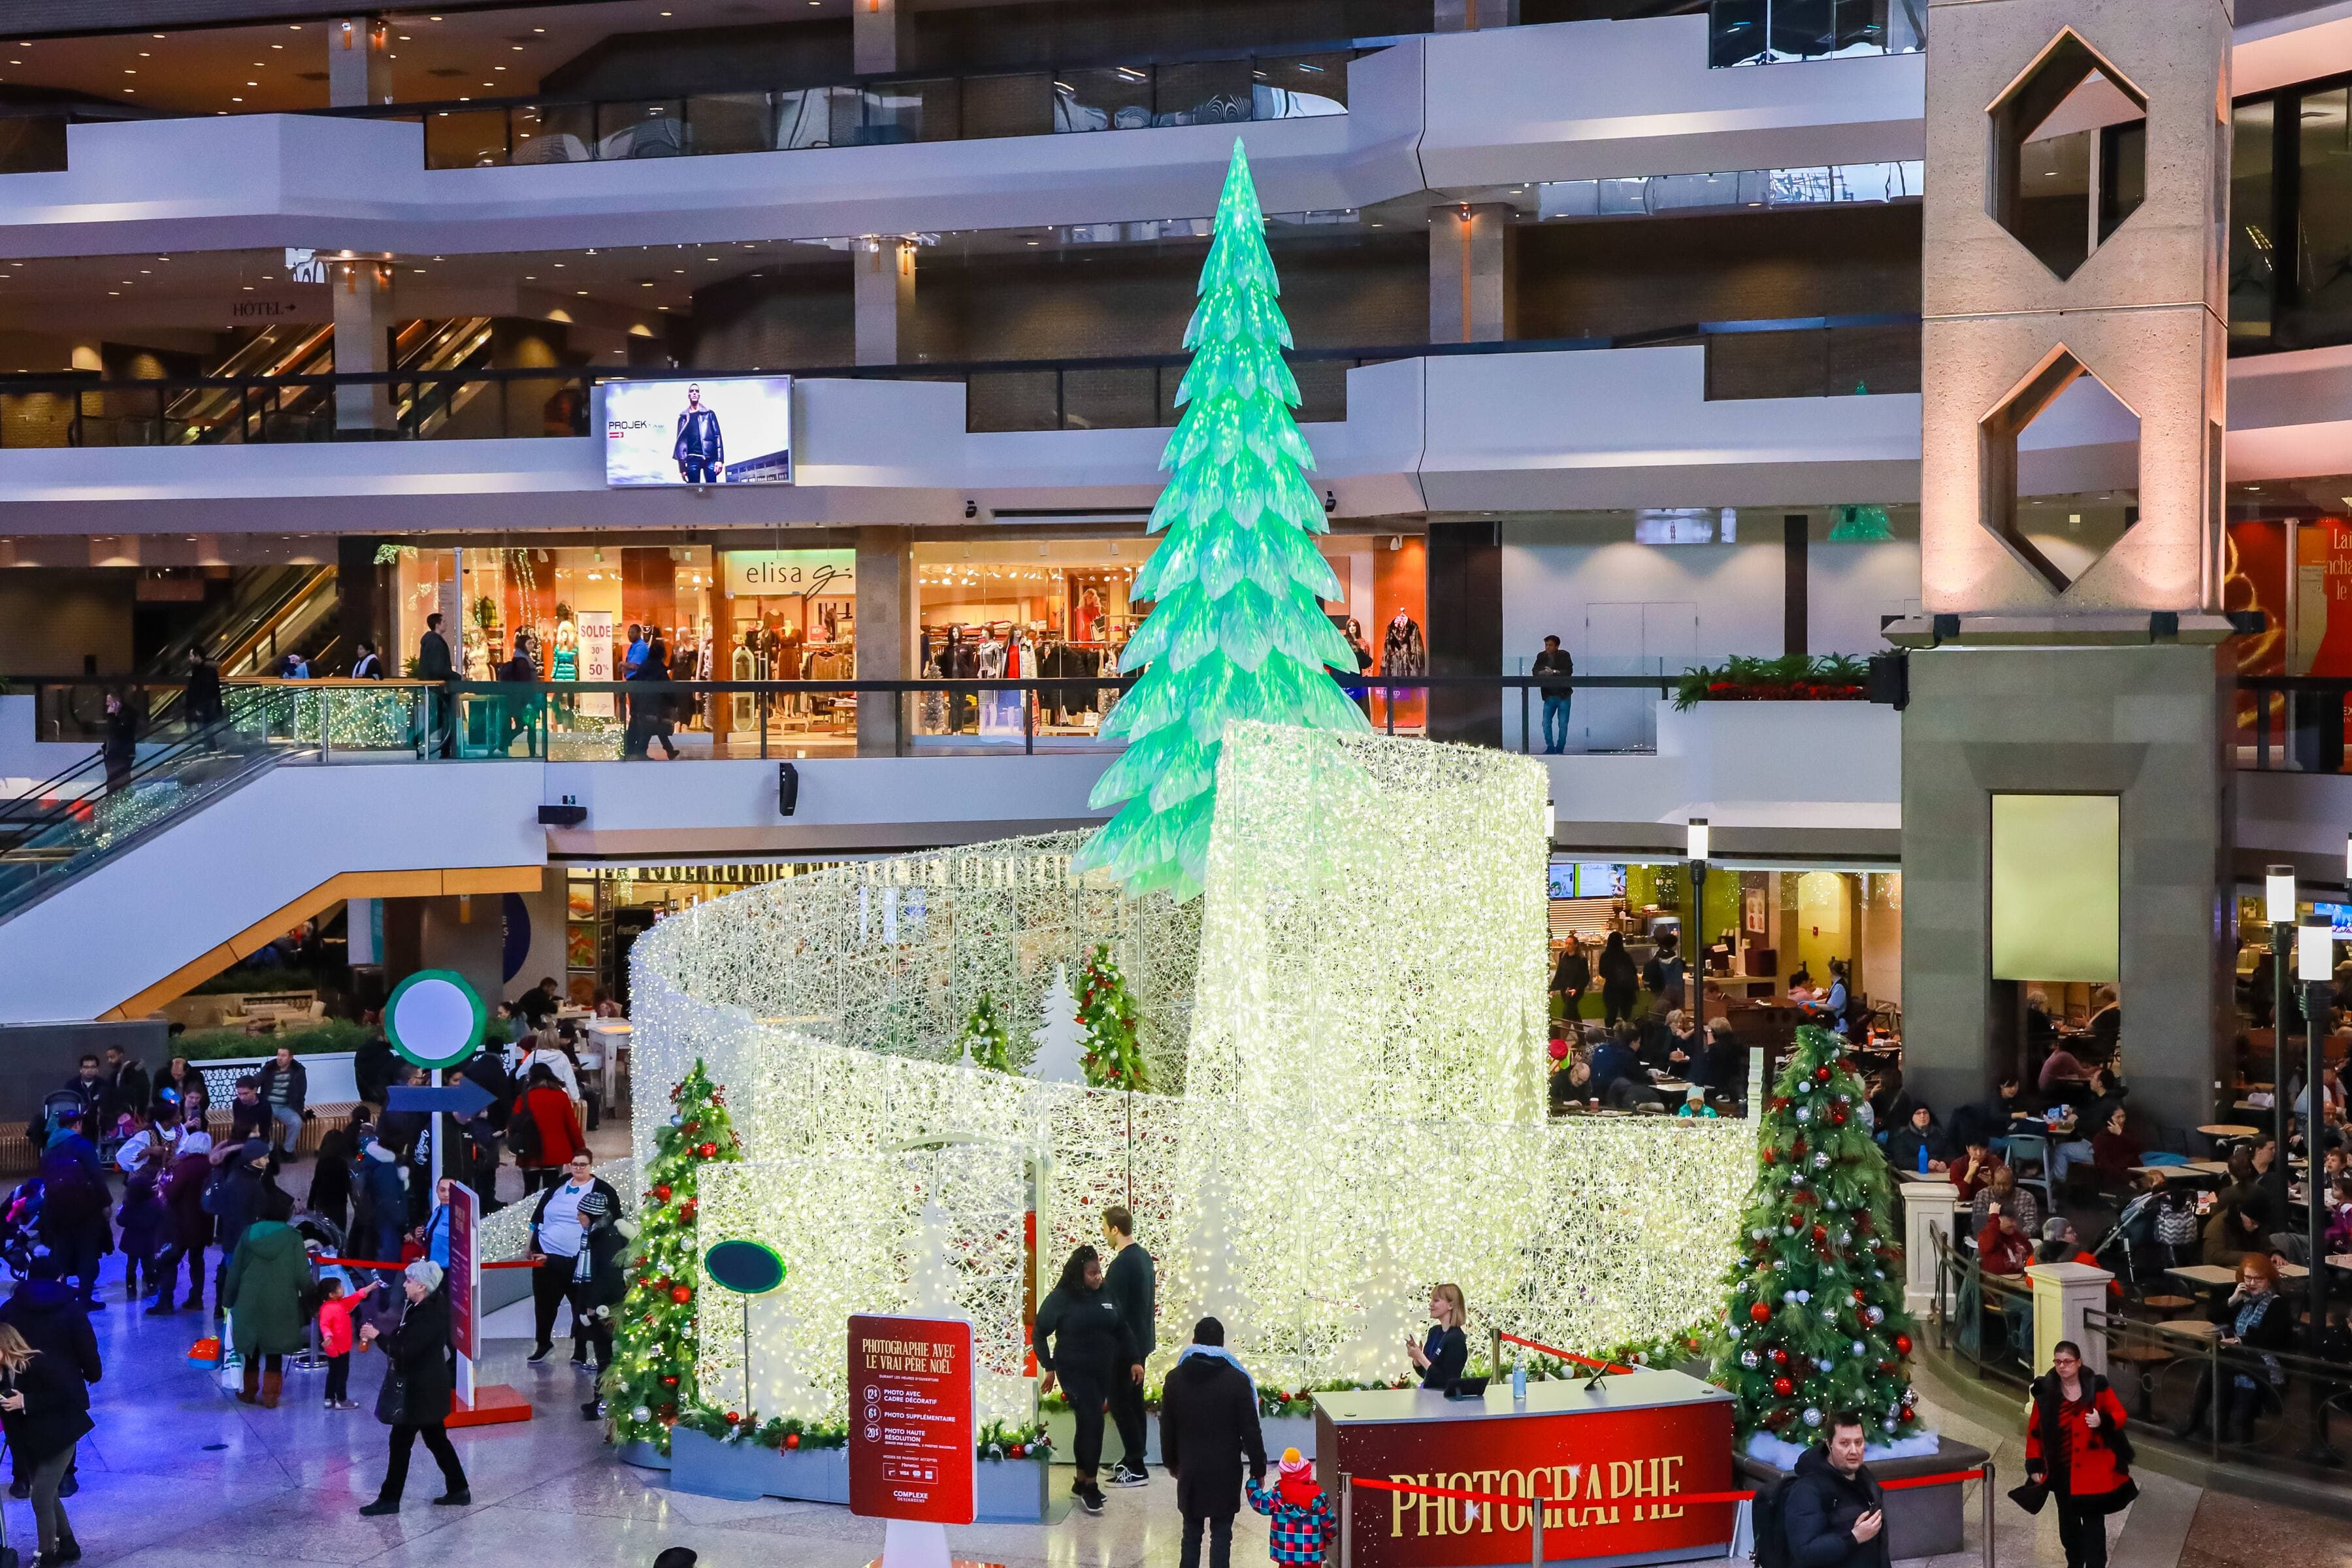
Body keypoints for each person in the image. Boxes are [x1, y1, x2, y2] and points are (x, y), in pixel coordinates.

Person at [1034, 1245, 1141, 1515]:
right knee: (1092, 1420)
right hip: (1074, 1370)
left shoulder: (1105, 1294)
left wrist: (1135, 1359)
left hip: (1102, 1371)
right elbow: (1040, 1332)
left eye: (1099, 1272)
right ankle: (1091, 1485)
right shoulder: (1062, 1298)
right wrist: (1049, 1366)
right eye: (1092, 1273)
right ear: (1078, 1273)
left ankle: (1081, 1481)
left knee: (1088, 1423)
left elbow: (1122, 1328)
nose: (1098, 1278)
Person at [358, 1260, 470, 1514]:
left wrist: (378, 1337)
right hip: (426, 1389)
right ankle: (459, 1488)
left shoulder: (428, 1315)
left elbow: (405, 1351)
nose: (405, 1284)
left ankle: (390, 1499)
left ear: (421, 1286)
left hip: (420, 1391)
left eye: (409, 1281)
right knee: (436, 1439)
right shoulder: (421, 1306)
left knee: (401, 1442)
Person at [1158, 1316, 1266, 1568]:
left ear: (1194, 1341)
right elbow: (1251, 1430)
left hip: (1191, 1468)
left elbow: (1167, 1427)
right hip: (1226, 1470)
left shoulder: (1175, 1379)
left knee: (1191, 1534)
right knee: (1222, 1534)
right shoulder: (1238, 1381)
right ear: (1223, 1344)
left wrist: (1171, 1462)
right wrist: (1258, 1468)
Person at [0, 1251, 100, 1507]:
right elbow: (86, 1346)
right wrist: (93, 1373)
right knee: (66, 1424)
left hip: (17, 1378)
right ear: (60, 1278)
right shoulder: (71, 1309)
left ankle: (22, 1479)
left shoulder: (10, 1308)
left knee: (18, 1426)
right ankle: (66, 1478)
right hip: (63, 1380)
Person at [2023, 1341, 2135, 1568]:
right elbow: (2035, 1431)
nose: (2062, 1366)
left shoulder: (2097, 1387)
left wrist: (2102, 1420)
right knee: (2069, 1527)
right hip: (2062, 1472)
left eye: (2067, 1361)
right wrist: (2034, 1464)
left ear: (2078, 1362)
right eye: (2058, 1362)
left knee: (2094, 1528)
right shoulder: (2046, 1394)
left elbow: (2120, 1415)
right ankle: (2074, 1563)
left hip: (2094, 1473)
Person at [0, 1321, 90, 1566]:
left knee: (40, 1498)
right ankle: (69, 1545)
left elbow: (65, 1395)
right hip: (32, 1443)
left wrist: (26, 1402)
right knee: (48, 1497)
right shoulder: (3, 1374)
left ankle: (46, 1556)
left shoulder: (37, 1363)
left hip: (59, 1438)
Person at [2175, 1256, 2294, 1443]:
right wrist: (2232, 1299)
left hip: (2265, 1361)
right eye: (2248, 1278)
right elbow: (2213, 1316)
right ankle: (2213, 1426)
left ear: (2269, 1280)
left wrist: (2239, 1340)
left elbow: (2269, 1340)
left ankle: (2198, 1420)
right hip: (2236, 1356)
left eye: (2258, 1279)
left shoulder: (2278, 1304)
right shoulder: (2244, 1298)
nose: (2252, 1283)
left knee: (2217, 1359)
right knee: (2219, 1364)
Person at [527, 1151, 619, 1364]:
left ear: (591, 1165)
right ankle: (543, 1343)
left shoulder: (603, 1190)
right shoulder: (559, 1184)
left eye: (583, 1165)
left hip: (579, 1260)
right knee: (544, 1303)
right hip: (547, 1255)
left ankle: (580, 1350)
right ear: (569, 1165)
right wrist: (530, 1243)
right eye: (575, 1164)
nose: (578, 1168)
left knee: (581, 1305)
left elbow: (612, 1220)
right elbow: (538, 1215)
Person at [223, 1185, 308, 1409]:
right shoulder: (293, 1237)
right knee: (274, 1349)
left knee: (252, 1348)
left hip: (248, 1299)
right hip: (281, 1301)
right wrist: (311, 1299)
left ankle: (249, 1391)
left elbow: (235, 1270)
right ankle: (271, 1396)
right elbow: (302, 1274)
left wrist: (228, 1300)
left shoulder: (248, 1233)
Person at [1784, 1413, 1887, 1568]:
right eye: (1845, 1443)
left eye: (1858, 1442)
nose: (1854, 1451)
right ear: (1829, 1444)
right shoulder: (1807, 1489)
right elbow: (1804, 1552)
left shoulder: (1866, 1479)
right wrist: (1854, 1537)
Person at [1102, 1204, 1156, 1488]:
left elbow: (1114, 1309)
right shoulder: (1143, 1257)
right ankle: (1133, 1459)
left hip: (1125, 1348)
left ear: (1115, 1228)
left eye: (1105, 1227)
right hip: (1139, 1344)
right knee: (1133, 1404)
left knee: (1122, 1404)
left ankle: (1136, 1465)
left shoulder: (1123, 1264)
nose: (1104, 1233)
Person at [570, 1186, 628, 1414]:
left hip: (606, 1308)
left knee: (607, 1355)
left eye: (581, 1214)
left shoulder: (607, 1238)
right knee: (603, 1354)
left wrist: (593, 1306)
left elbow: (608, 1275)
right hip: (597, 1304)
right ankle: (601, 1400)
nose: (578, 1218)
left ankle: (603, 1402)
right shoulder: (594, 1234)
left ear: (592, 1215)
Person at [146, 1130, 214, 1315]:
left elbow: (171, 1193)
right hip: (204, 1220)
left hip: (183, 1222)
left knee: (170, 1260)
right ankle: (196, 1298)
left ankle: (166, 1302)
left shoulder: (185, 1166)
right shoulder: (211, 1166)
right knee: (197, 1261)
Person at [1245, 1448, 1337, 1568]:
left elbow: (1260, 1504)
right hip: (1312, 1555)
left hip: (1286, 1555)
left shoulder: (1277, 1493)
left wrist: (1253, 1483)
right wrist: (1330, 1536)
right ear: (1306, 1475)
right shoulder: (1318, 1496)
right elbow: (1329, 1523)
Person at [515, 1064, 587, 1194]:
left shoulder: (523, 1099)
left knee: (530, 1194)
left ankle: (532, 1214)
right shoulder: (561, 1097)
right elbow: (572, 1127)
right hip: (555, 1153)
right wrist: (580, 1149)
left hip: (529, 1152)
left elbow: (514, 1126)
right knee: (552, 1193)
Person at [354, 1133, 408, 1284]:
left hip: (372, 1209)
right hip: (387, 1216)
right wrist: (402, 1221)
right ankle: (385, 1287)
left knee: (371, 1240)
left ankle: (365, 1266)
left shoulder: (370, 1156)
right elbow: (389, 1198)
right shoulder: (388, 1169)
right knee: (390, 1251)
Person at [317, 1275, 376, 1411]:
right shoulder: (331, 1308)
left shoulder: (339, 1304)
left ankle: (329, 1397)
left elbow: (356, 1296)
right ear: (332, 1294)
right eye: (340, 1288)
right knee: (342, 1373)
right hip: (339, 1348)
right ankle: (341, 1399)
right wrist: (328, 1336)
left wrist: (370, 1287)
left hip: (335, 1348)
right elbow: (324, 1326)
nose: (343, 1289)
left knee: (333, 1372)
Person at [114, 1161, 164, 1306]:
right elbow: (161, 1218)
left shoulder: (129, 1205)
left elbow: (120, 1221)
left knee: (131, 1265)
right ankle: (152, 1285)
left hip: (131, 1241)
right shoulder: (155, 1204)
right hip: (148, 1241)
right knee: (148, 1264)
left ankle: (130, 1287)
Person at [1407, 1282, 1468, 1390]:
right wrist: (1417, 1358)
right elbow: (1427, 1374)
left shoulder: (1456, 1339)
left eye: (1436, 1301)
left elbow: (1446, 1381)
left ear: (1451, 1305)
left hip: (1446, 1402)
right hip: (1429, 1397)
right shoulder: (1434, 1332)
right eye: (1431, 1300)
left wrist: (1420, 1357)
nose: (1431, 1304)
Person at [253, 1044, 308, 1158]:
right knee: (263, 1121)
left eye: (283, 1056)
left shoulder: (298, 1071)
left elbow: (302, 1091)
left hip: (286, 1106)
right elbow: (256, 1081)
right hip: (268, 1105)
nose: (279, 1058)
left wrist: (299, 1109)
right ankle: (270, 1149)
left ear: (291, 1058)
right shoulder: (269, 1068)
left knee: (296, 1123)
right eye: (278, 1055)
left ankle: (287, 1151)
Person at [1969, 1165, 2042, 1241]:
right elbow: (1978, 1223)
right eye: (1998, 1184)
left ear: (2013, 1182)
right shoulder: (1983, 1195)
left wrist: (2017, 1235)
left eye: (2006, 1184)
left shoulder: (2027, 1198)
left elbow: (2032, 1224)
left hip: (2018, 1241)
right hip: (1990, 1240)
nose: (2001, 1188)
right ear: (1993, 1182)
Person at [418, 612, 456, 757]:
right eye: (444, 622)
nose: (446, 624)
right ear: (437, 625)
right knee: (443, 719)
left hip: (434, 687)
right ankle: (444, 749)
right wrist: (457, 677)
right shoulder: (436, 643)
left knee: (438, 719)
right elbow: (439, 668)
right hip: (439, 688)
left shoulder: (430, 641)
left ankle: (419, 740)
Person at [673, 383, 724, 483]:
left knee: (713, 491)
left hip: (710, 458)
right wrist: (682, 468)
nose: (694, 393)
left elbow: (718, 436)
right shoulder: (683, 418)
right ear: (689, 395)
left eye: (697, 391)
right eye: (692, 391)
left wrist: (719, 460)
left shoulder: (709, 414)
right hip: (692, 459)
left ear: (699, 395)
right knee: (694, 493)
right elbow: (680, 445)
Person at [1533, 634, 1573, 754]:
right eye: (1546, 645)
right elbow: (1535, 671)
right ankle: (1550, 747)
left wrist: (1554, 672)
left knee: (1563, 723)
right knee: (1546, 723)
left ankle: (1560, 748)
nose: (1547, 647)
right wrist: (1543, 673)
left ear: (1557, 646)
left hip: (1563, 695)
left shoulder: (1564, 655)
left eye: (1550, 645)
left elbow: (1569, 671)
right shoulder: (1541, 656)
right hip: (1549, 695)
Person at [1883, 1103, 1948, 1176]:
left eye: (1925, 1113)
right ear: (1912, 1118)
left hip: (1939, 1176)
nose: (1922, 1116)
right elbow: (1901, 1160)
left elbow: (1951, 1153)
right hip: (1913, 1177)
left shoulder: (1939, 1134)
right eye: (1918, 1113)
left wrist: (1945, 1163)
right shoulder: (1902, 1136)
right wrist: (1924, 1163)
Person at [2090, 1106, 2143, 1187]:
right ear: (2109, 1120)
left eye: (2123, 1116)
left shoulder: (2127, 1132)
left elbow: (2139, 1147)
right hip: (2119, 1177)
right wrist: (2127, 1181)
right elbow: (2106, 1164)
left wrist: (2121, 1134)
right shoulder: (2100, 1138)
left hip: (2136, 1171)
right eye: (2118, 1117)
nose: (2122, 1120)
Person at [101, 1046, 148, 1132]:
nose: (110, 1061)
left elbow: (143, 1092)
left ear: (121, 1056)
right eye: (108, 1058)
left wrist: (139, 1111)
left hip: (134, 1114)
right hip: (119, 1116)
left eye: (112, 1057)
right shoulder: (114, 1075)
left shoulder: (134, 1070)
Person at [1978, 1207, 2034, 1276]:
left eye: (2015, 1221)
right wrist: (1994, 1216)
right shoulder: (1986, 1235)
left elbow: (2030, 1250)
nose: (2015, 1224)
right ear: (1999, 1219)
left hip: (2019, 1279)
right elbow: (1988, 1245)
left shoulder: (2016, 1235)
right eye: (2011, 1221)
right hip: (1996, 1282)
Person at [1597, 932, 1638, 1026]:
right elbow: (1634, 971)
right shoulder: (1626, 956)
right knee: (1626, 1017)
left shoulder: (1605, 956)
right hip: (1626, 991)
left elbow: (1602, 973)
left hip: (1611, 990)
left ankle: (1610, 1036)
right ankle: (1626, 1037)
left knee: (1611, 1016)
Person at [183, 645, 224, 738]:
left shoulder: (205, 671)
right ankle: (209, 749)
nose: (190, 658)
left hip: (204, 710)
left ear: (197, 656)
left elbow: (207, 691)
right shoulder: (200, 670)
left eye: (191, 656)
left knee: (207, 734)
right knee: (206, 735)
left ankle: (210, 750)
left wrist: (199, 708)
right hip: (203, 709)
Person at [1950, 1137, 2005, 1203]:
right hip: (1963, 1206)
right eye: (1975, 1149)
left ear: (1987, 1148)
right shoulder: (1957, 1165)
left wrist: (1991, 1184)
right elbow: (1959, 1197)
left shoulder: (1996, 1163)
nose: (1979, 1154)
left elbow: (2004, 1196)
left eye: (1982, 1149)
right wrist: (1969, 1174)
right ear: (1968, 1149)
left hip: (1989, 1206)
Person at [1551, 941, 1590, 1019]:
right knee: (1573, 1012)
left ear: (1576, 945)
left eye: (1570, 944)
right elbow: (1559, 973)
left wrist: (1577, 988)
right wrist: (1553, 988)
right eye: (1566, 943)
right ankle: (1580, 1030)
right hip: (1564, 989)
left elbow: (1585, 977)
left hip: (1576, 990)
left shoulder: (1581, 959)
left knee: (1567, 1011)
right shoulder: (1563, 956)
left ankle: (1565, 1030)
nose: (1567, 946)